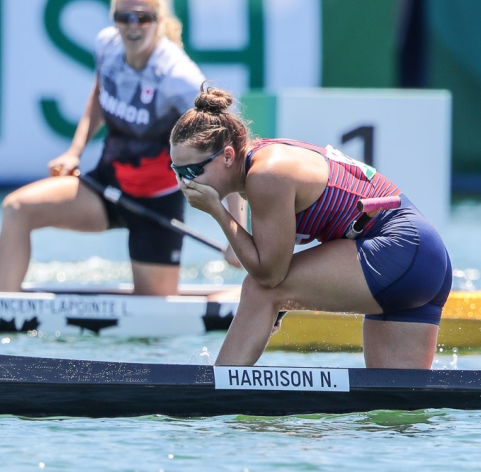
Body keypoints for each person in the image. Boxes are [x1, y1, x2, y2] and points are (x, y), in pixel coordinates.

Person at [168, 86, 453, 369]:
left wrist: (217, 212)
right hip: (421, 259)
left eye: (192, 172)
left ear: (227, 156)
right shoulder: (260, 160)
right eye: (177, 171)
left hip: (400, 252)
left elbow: (269, 276)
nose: (184, 183)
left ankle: (219, 391)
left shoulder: (267, 175)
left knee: (259, 290)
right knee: (395, 405)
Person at [0, 0, 208, 296]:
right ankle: (1, 308)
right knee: (17, 208)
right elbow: (99, 93)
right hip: (107, 187)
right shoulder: (107, 45)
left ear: (158, 20)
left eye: (143, 17)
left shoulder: (179, 77)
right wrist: (74, 151)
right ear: (114, 19)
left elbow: (226, 144)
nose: (133, 26)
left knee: (154, 319)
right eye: (124, 17)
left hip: (157, 204)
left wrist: (235, 232)